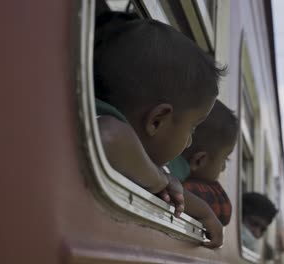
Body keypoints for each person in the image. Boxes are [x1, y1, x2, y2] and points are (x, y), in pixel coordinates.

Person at [94, 13, 225, 248]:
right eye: (192, 127)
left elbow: (173, 192)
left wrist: (204, 212)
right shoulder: (101, 114)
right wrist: (158, 180)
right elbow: (108, 136)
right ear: (157, 121)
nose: (189, 142)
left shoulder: (143, 161)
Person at [167, 99, 238, 226]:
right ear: (199, 160)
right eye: (224, 159)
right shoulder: (176, 170)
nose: (223, 168)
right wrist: (204, 211)